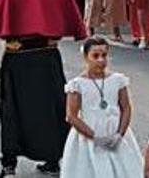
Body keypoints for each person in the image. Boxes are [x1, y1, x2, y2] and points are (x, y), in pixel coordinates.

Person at [0, 0, 86, 177]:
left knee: (12, 108)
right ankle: (52, 158)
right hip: (47, 56)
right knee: (52, 107)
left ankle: (9, 163)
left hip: (18, 56)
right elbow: (76, 22)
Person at [59, 37, 141, 178]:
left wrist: (120, 134)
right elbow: (71, 116)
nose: (101, 60)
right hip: (89, 135)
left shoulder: (118, 80)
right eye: (95, 56)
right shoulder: (77, 85)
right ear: (86, 57)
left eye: (104, 55)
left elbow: (126, 108)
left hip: (115, 132)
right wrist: (95, 137)